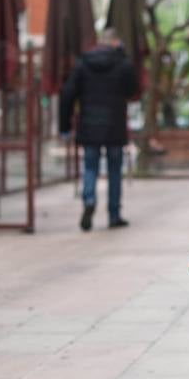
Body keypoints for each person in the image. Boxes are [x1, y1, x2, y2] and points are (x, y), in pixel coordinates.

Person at [59, 27, 138, 231]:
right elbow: (132, 89)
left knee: (90, 167)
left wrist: (65, 125)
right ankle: (113, 214)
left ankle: (89, 200)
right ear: (115, 42)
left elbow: (67, 93)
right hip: (115, 125)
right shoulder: (122, 63)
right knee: (114, 170)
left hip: (89, 124)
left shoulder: (83, 63)